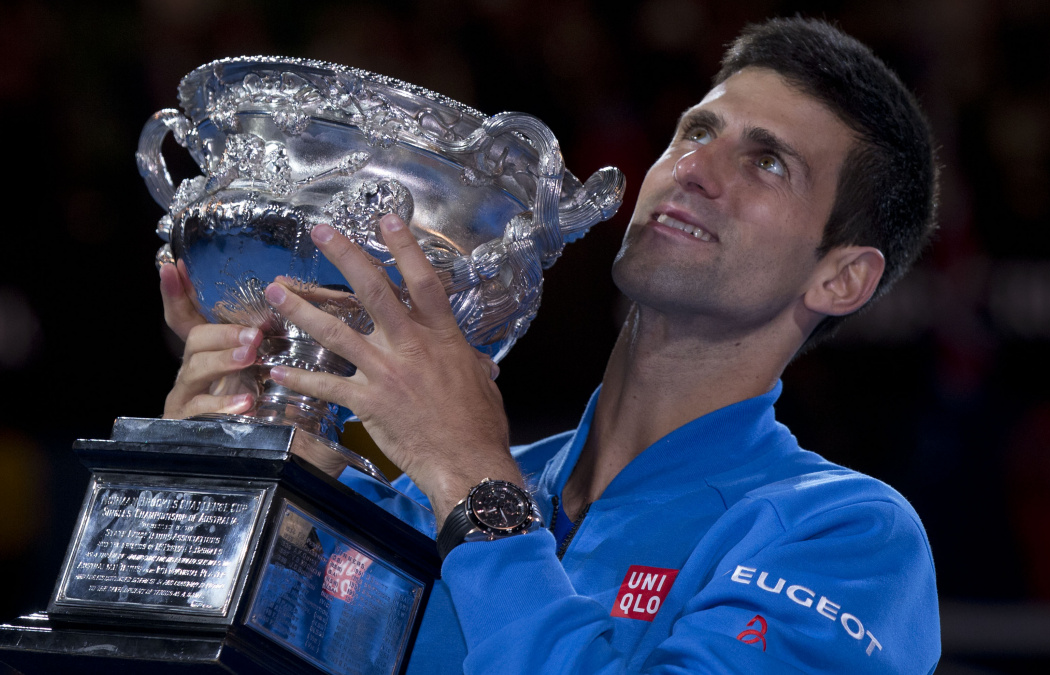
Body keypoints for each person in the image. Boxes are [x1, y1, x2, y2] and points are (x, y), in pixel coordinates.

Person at [160, 17, 940, 674]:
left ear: (841, 278)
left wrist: (475, 485)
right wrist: (243, 466)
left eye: (766, 161)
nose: (695, 169)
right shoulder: (421, 498)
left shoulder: (846, 534)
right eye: (695, 131)